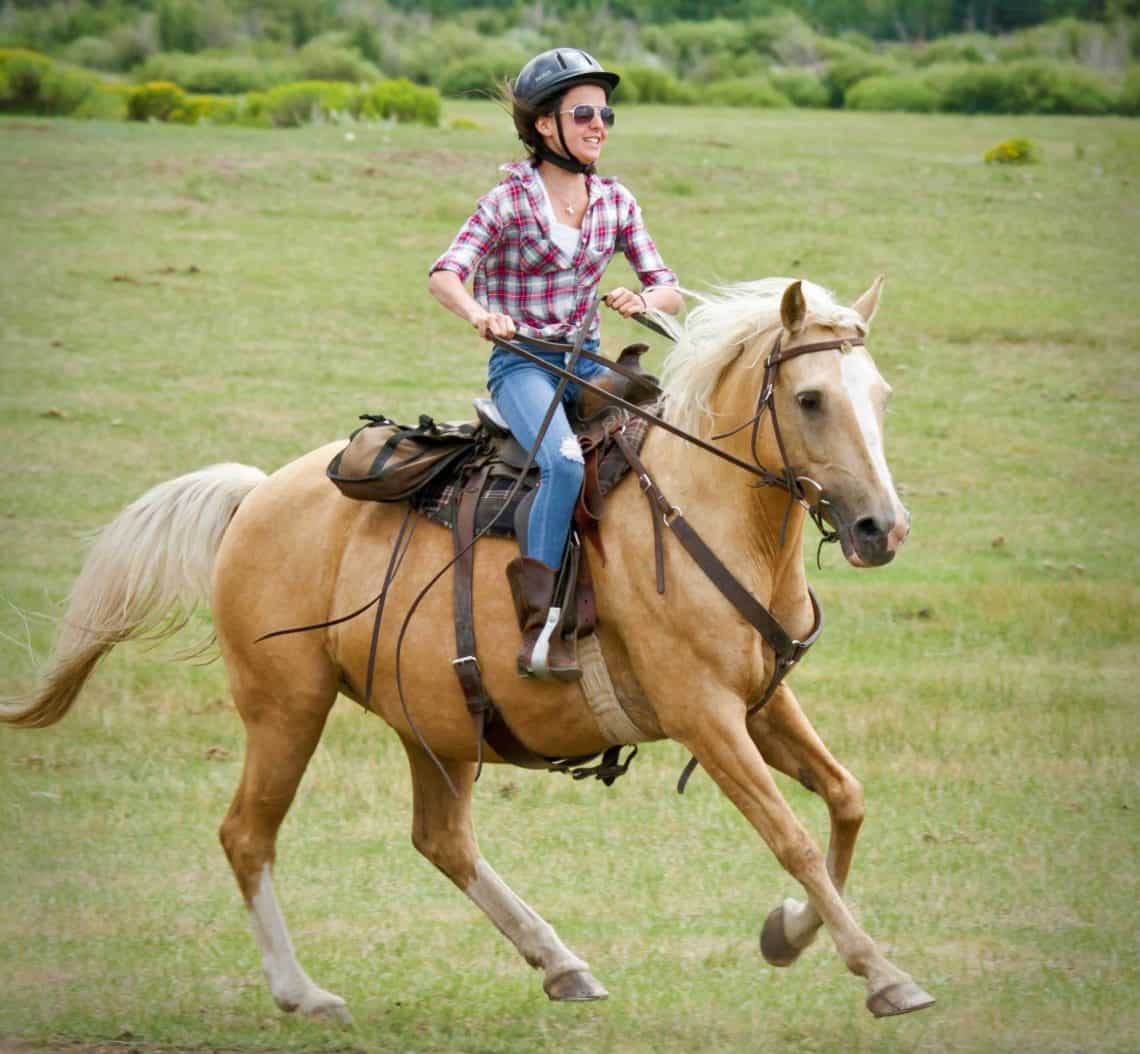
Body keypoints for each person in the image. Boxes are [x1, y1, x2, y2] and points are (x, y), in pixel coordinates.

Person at [428, 47, 681, 682]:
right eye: (585, 112)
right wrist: (480, 314)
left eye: (606, 114)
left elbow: (668, 286)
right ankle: (539, 631)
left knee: (668, 447)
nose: (600, 125)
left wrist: (643, 298)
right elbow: (445, 274)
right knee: (564, 462)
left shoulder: (617, 202)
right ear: (546, 125)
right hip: (523, 367)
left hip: (588, 366)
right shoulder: (507, 200)